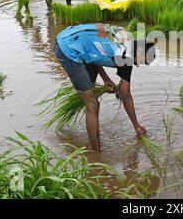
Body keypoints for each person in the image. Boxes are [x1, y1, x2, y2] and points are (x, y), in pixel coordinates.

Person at [54, 23, 156, 152]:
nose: (139, 65)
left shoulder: (125, 36)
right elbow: (126, 96)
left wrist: (105, 78)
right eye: (142, 61)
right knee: (92, 104)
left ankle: (92, 133)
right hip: (68, 48)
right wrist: (137, 126)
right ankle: (96, 155)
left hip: (69, 37)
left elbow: (93, 51)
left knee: (90, 93)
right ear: (139, 51)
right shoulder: (126, 56)